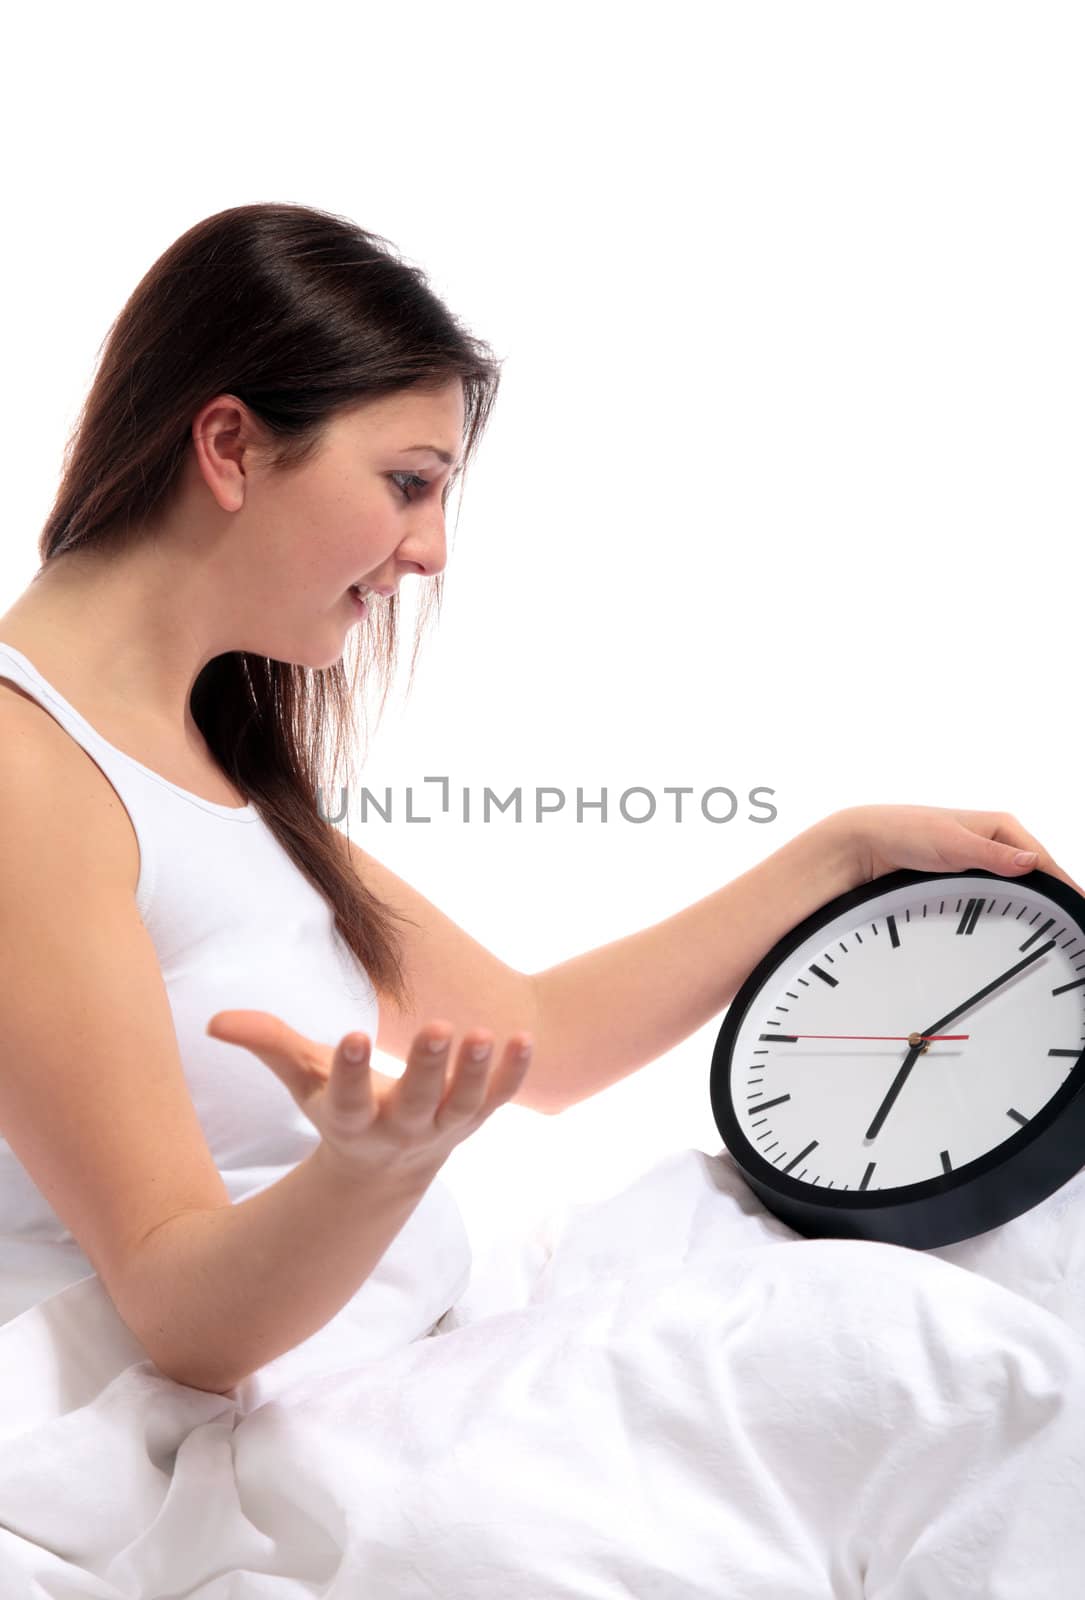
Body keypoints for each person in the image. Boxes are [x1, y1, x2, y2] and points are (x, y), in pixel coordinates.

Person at [2, 200, 1084, 1596]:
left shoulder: (198, 759)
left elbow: (531, 1036)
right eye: (408, 481)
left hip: (407, 1328)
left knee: (1020, 1242)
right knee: (942, 1358)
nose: (432, 550)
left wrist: (840, 854)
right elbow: (183, 1312)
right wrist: (366, 1173)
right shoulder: (29, 777)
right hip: (247, 1428)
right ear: (229, 447)